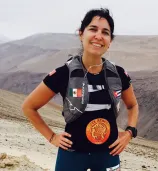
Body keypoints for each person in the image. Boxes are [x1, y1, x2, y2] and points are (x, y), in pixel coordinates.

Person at [22, 8, 139, 171]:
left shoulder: (118, 74)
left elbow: (132, 105)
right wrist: (52, 137)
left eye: (105, 32)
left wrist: (129, 133)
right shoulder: (64, 73)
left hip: (108, 155)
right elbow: (29, 107)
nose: (99, 36)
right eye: (93, 29)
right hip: (72, 155)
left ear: (110, 41)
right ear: (81, 34)